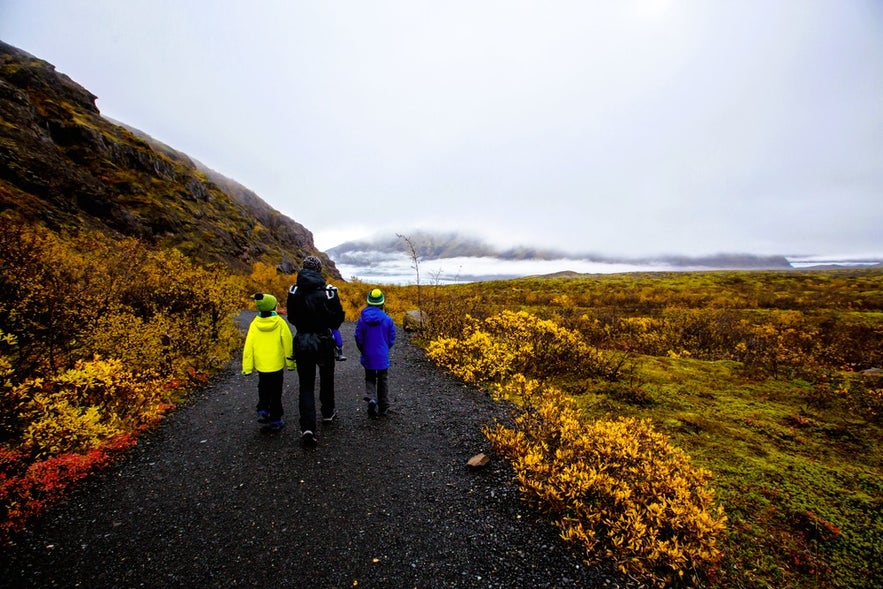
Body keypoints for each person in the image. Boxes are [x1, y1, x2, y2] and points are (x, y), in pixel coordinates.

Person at [286, 255, 345, 446]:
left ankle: (308, 427)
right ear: (319, 270)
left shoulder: (294, 291)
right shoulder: (328, 292)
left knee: (306, 384)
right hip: (324, 340)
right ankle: (328, 413)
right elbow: (337, 320)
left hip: (303, 340)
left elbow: (292, 317)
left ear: (303, 268)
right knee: (327, 378)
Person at [241, 293, 295, 432]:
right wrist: (290, 363)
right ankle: (276, 419)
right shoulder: (280, 323)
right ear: (273, 306)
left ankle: (263, 409)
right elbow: (288, 343)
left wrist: (247, 367)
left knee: (263, 387)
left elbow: (248, 346)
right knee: (276, 392)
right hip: (276, 365)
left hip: (261, 365)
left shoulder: (254, 324)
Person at [354, 288, 396, 418]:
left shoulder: (362, 319)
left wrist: (363, 349)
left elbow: (358, 336)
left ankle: (372, 398)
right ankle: (384, 407)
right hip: (382, 354)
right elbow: (391, 337)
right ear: (382, 303)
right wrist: (385, 348)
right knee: (383, 379)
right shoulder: (388, 320)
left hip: (368, 354)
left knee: (370, 377)